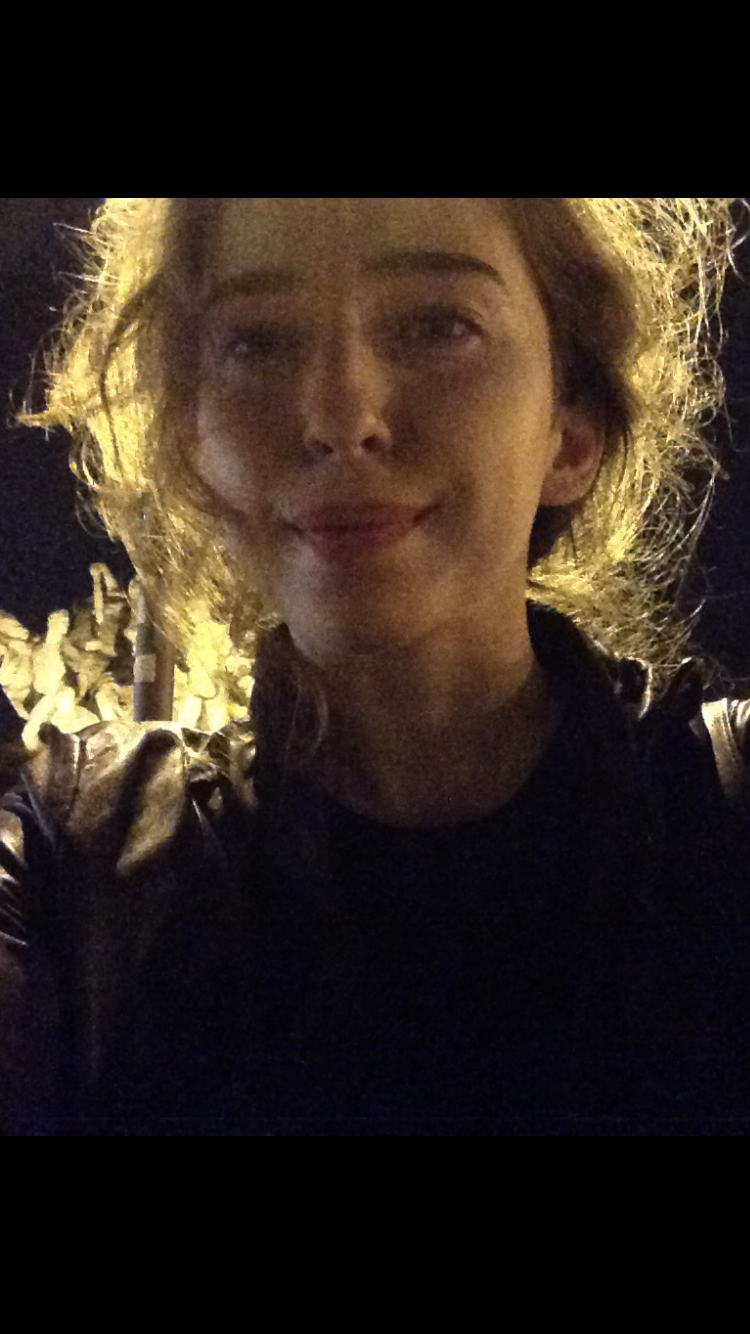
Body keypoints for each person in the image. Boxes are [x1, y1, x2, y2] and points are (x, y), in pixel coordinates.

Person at [1, 197, 750, 1136]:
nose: (339, 415)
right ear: (197, 446)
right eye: (258, 341)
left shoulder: (723, 818)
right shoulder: (80, 872)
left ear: (570, 434)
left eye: (438, 325)